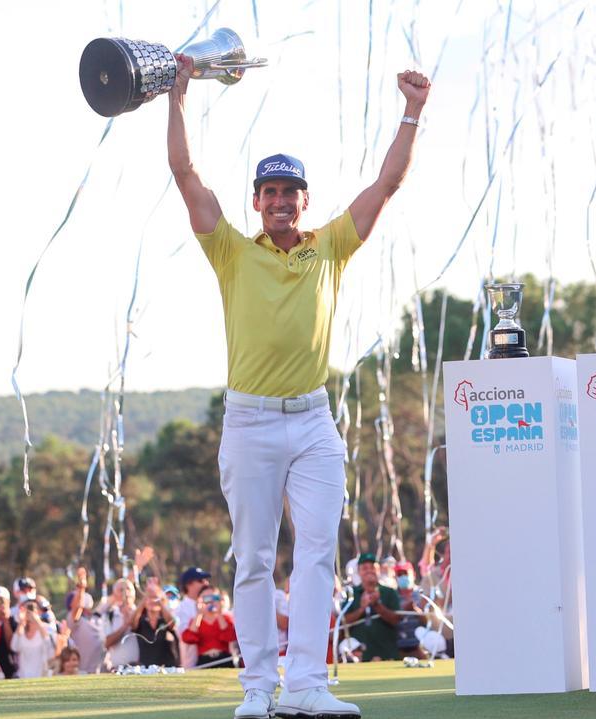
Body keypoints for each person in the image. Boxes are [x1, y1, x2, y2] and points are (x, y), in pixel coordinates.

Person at [167, 43, 429, 719]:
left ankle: (307, 682)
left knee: (318, 551)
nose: (281, 202)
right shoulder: (230, 248)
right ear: (257, 201)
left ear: (304, 200)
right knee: (253, 559)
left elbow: (387, 186)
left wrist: (411, 111)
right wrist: (178, 97)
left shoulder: (329, 246)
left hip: (313, 421)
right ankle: (258, 688)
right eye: (271, 192)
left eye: (291, 192)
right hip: (250, 420)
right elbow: (185, 173)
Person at [342, 553, 401, 662]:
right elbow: (343, 621)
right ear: (358, 572)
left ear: (378, 570)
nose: (369, 571)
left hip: (387, 655)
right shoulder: (351, 594)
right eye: (364, 568)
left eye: (373, 567)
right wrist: (362, 608)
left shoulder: (389, 592)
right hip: (360, 657)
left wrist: (377, 605)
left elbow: (396, 620)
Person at [65, 567, 109, 674]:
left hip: (101, 672)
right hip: (83, 673)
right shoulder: (73, 620)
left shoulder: (96, 617)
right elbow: (77, 608)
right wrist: (81, 588)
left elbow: (113, 598)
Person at [180, 588, 237, 669]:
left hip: (224, 659)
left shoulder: (226, 618)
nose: (210, 601)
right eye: (206, 598)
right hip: (204, 661)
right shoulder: (195, 620)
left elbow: (230, 636)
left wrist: (219, 612)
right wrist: (199, 613)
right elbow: (189, 638)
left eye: (213, 598)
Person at [131, 578, 179, 667]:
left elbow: (172, 623)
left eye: (155, 598)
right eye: (149, 598)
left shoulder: (165, 619)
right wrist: (145, 598)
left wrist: (159, 599)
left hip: (168, 666)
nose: (153, 601)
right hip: (145, 667)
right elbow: (132, 623)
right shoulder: (141, 620)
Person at [173, 566, 211, 670]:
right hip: (191, 664)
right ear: (189, 584)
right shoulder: (180, 609)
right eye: (201, 581)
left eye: (206, 580)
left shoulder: (210, 604)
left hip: (210, 661)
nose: (206, 583)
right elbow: (185, 637)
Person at [11, 597, 55, 678]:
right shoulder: (21, 630)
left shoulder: (46, 628)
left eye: (33, 609)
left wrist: (37, 621)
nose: (30, 613)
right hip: (23, 676)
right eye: (27, 610)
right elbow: (14, 647)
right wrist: (21, 623)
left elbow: (50, 649)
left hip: (41, 676)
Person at [101, 578, 140, 668]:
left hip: (140, 668)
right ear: (114, 595)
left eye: (128, 589)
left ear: (134, 593)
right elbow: (106, 643)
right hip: (117, 668)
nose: (125, 593)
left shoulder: (142, 613)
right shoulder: (109, 615)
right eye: (121, 590)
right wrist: (125, 625)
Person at [393, 561, 427, 659]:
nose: (403, 577)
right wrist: (403, 610)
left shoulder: (422, 594)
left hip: (420, 648)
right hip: (398, 649)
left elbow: (430, 622)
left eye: (406, 573)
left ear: (414, 574)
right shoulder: (392, 595)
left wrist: (415, 610)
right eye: (399, 574)